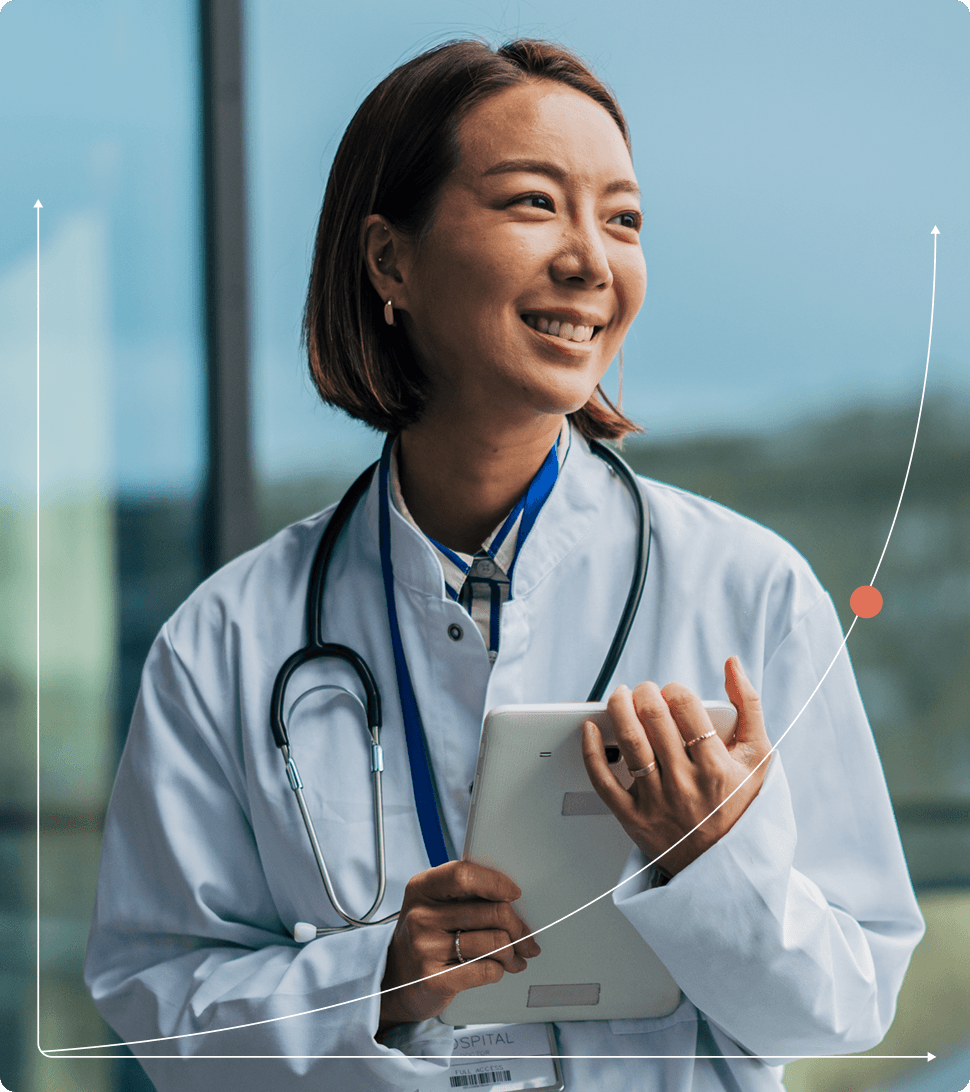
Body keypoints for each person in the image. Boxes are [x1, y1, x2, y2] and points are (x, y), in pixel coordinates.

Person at [85, 38, 925, 1092]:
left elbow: (849, 1006)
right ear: (390, 260)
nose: (591, 260)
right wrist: (377, 980)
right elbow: (155, 1005)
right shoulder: (228, 639)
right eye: (534, 203)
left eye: (621, 219)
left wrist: (717, 866)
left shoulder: (747, 591)